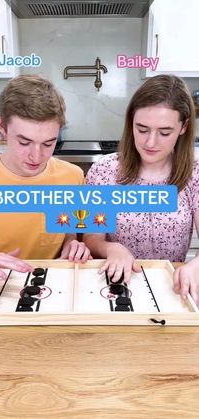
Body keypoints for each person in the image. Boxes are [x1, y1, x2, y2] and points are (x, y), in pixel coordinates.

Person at [84, 74, 199, 304]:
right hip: (112, 286)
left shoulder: (195, 174)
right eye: (142, 129)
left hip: (171, 291)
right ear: (130, 123)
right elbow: (90, 237)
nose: (150, 142)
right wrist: (111, 248)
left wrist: (195, 265)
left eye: (165, 132)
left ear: (183, 127)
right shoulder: (104, 171)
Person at [0, 75, 91, 280]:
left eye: (49, 143)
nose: (37, 156)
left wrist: (72, 244)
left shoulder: (73, 176)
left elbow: (69, 231)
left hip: (48, 289)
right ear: (2, 128)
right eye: (24, 142)